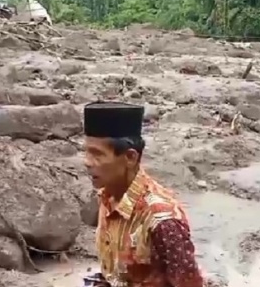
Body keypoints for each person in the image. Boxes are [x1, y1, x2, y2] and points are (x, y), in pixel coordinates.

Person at [83, 101, 204, 287]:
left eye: (97, 154)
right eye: (86, 152)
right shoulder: (108, 196)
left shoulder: (163, 221)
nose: (87, 162)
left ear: (130, 157)